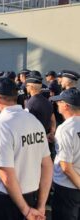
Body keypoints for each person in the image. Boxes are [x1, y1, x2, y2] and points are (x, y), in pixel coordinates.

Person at [0, 77, 53, 220]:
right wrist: (40, 206)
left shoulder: (3, 125)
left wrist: (26, 210)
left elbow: (5, 173)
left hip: (5, 201)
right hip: (30, 197)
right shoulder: (33, 121)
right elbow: (47, 165)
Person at [49, 88, 80, 220]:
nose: (57, 104)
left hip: (67, 189)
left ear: (66, 106)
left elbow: (65, 166)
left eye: (59, 102)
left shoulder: (65, 129)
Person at [25, 72, 56, 158]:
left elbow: (27, 126)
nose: (26, 87)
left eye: (27, 85)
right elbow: (53, 119)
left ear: (31, 87)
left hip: (35, 144)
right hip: (47, 142)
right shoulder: (48, 102)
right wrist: (51, 133)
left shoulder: (30, 103)